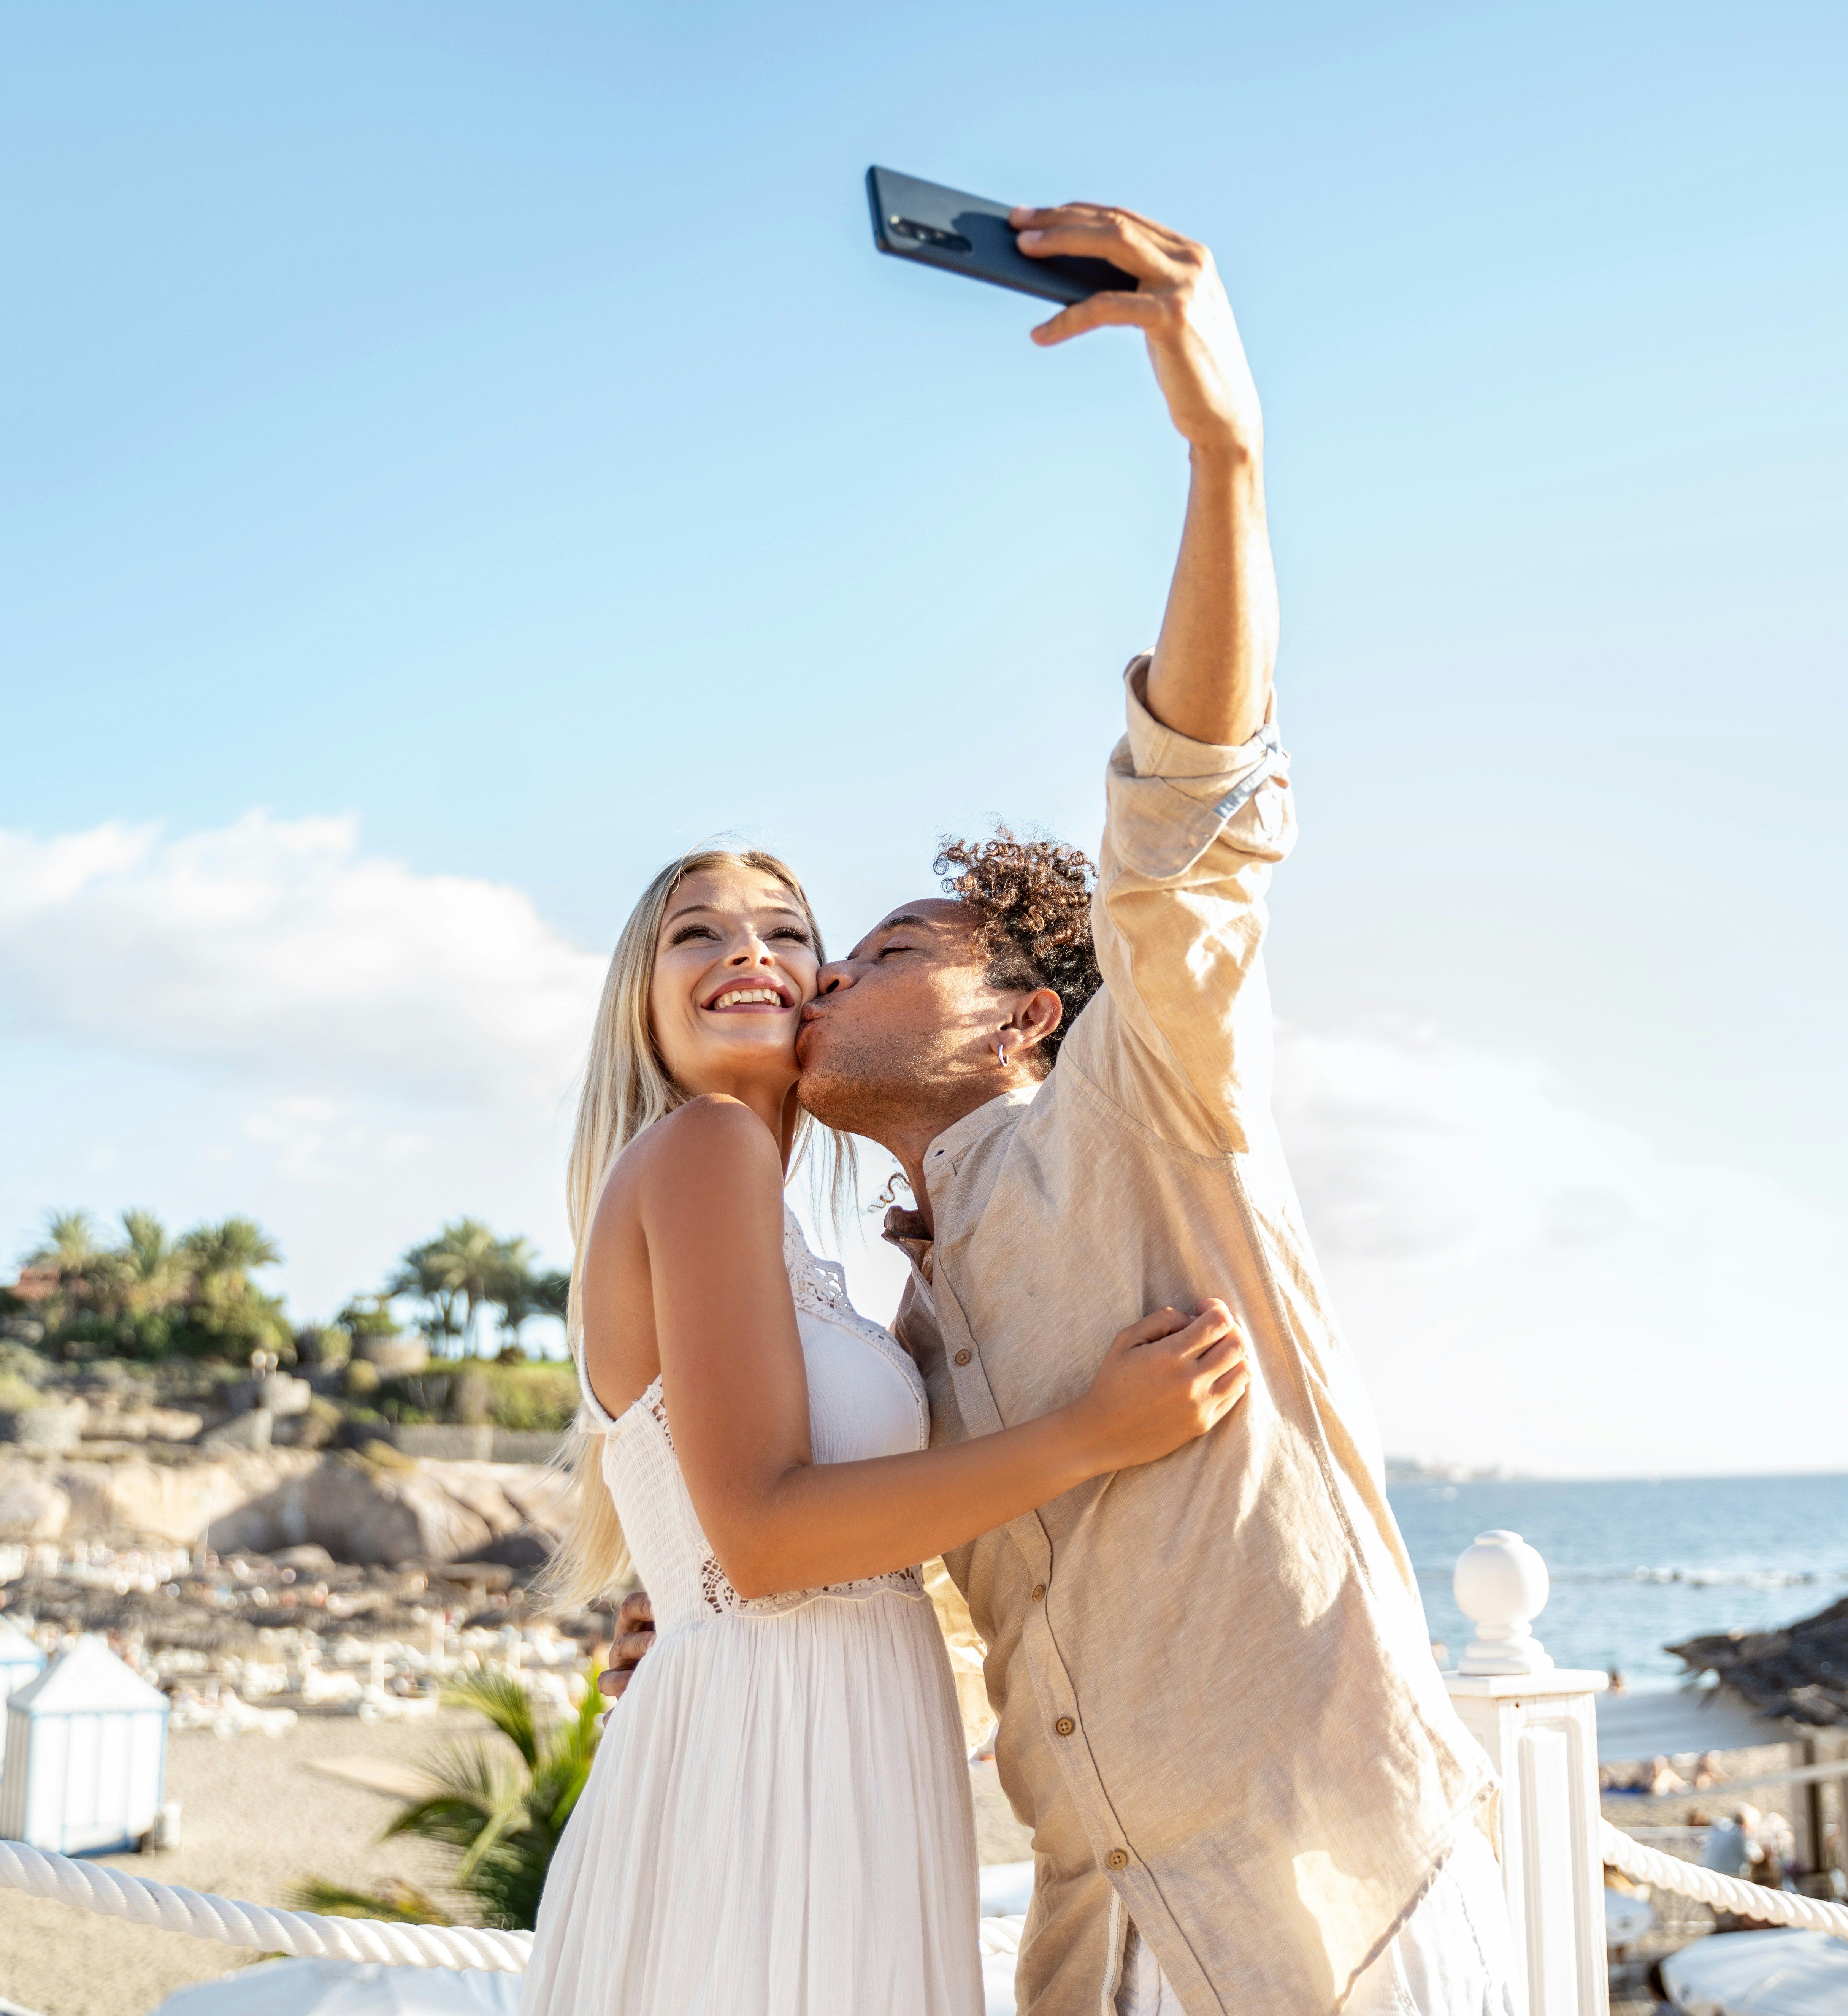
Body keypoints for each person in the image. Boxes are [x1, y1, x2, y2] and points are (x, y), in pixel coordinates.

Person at [622, 200, 1515, 2014]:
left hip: (1329, 1900)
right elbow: (812, 1526)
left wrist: (1221, 450)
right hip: (1097, 1939)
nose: (819, 977)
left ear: (1028, 1012)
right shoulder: (903, 1321)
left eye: (886, 948)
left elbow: (1188, 825)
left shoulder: (1143, 1102)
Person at [517, 844, 1252, 2016]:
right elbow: (764, 1537)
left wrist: (689, 1602)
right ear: (640, 1005)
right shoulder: (706, 1145)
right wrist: (1095, 1432)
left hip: (815, 1730)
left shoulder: (775, 1224)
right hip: (780, 1753)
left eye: (786, 932)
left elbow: (755, 1534)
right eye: (697, 932)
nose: (750, 950)